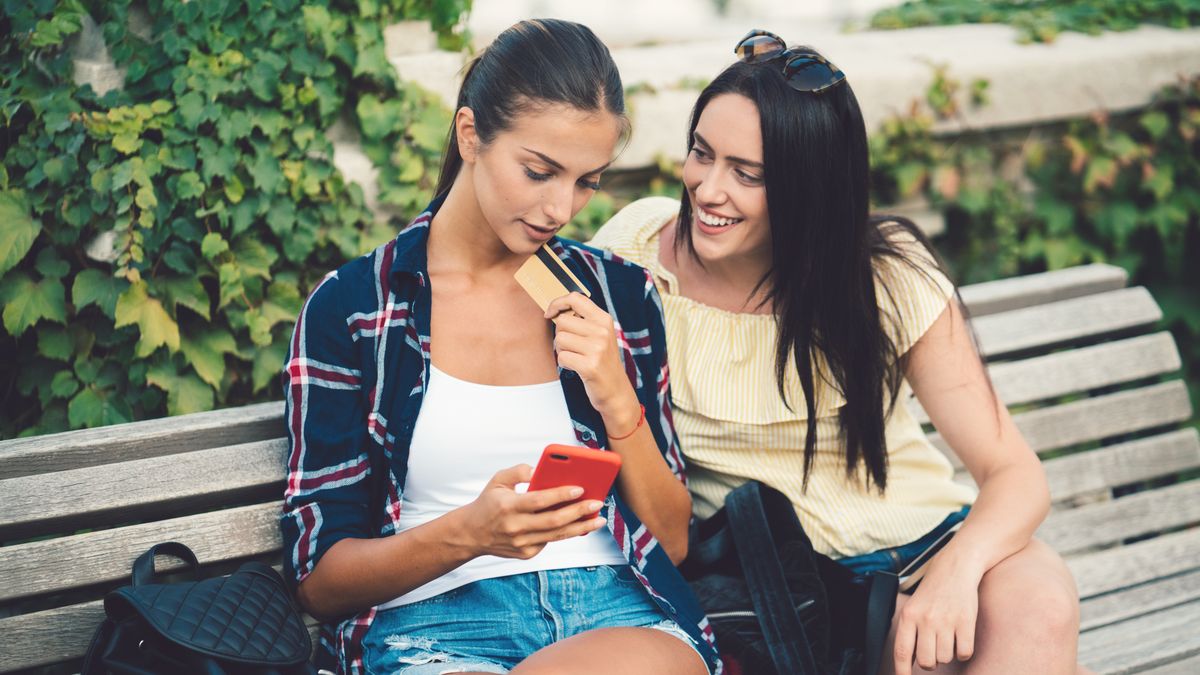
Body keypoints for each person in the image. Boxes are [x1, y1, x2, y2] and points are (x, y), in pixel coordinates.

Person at [591, 29, 1089, 675]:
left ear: (810, 186)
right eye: (701, 154)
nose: (708, 189)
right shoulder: (635, 254)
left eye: (748, 174)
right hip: (780, 592)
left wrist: (956, 574)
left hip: (928, 547)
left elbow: (1015, 473)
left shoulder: (884, 276)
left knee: (1040, 607)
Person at [281, 19, 719, 675]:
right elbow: (320, 581)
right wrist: (472, 532)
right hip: (432, 628)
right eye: (539, 172)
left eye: (587, 180)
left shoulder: (619, 296)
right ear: (470, 135)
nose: (560, 208)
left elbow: (674, 542)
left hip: (615, 615)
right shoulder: (357, 309)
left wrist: (614, 393)